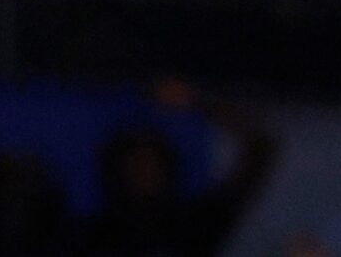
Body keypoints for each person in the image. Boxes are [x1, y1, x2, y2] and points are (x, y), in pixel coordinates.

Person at [74, 87, 274, 257]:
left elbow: (260, 148)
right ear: (117, 170)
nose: (146, 170)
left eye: (153, 162)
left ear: (168, 167)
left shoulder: (195, 224)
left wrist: (197, 100)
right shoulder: (87, 237)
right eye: (136, 161)